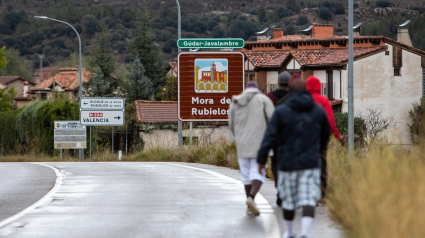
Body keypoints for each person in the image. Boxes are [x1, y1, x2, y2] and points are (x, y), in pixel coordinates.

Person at [257, 78, 331, 238]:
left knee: (289, 201)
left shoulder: (281, 111)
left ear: (290, 91)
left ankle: (289, 233)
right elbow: (326, 134)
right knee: (309, 199)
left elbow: (269, 137)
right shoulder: (318, 110)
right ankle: (305, 233)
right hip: (311, 162)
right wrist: (320, 150)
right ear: (306, 91)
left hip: (286, 163)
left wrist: (262, 160)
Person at [229, 80, 274, 216]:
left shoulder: (235, 102)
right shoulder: (264, 100)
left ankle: (249, 203)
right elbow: (272, 120)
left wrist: (239, 137)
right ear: (256, 89)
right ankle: (252, 198)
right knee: (258, 172)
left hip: (242, 143)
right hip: (260, 143)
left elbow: (231, 124)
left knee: (246, 175)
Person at [306, 76, 342, 199]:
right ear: (319, 87)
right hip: (320, 139)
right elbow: (330, 122)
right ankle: (322, 192)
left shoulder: (303, 100)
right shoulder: (323, 101)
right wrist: (338, 136)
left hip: (303, 138)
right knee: (322, 163)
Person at [266, 71, 291, 206]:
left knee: (275, 163)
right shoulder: (292, 97)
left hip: (275, 136)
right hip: (290, 136)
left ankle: (279, 186)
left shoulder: (270, 96)